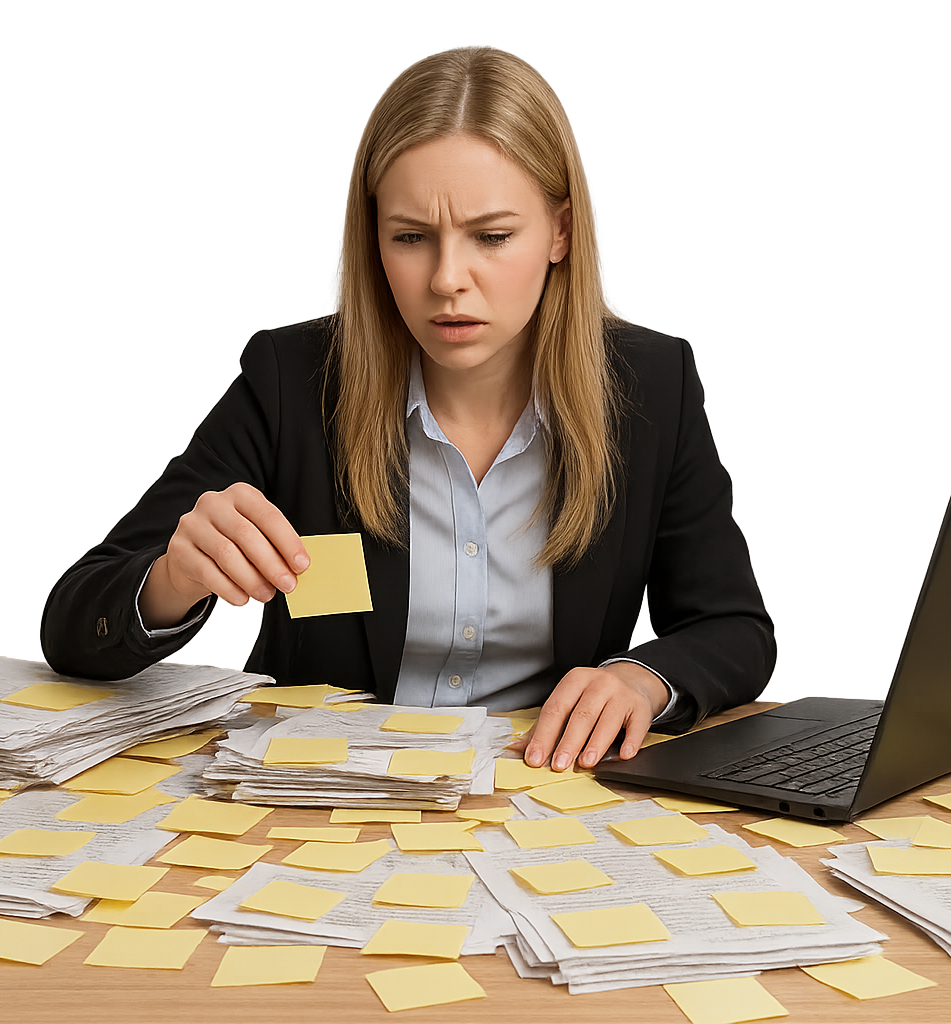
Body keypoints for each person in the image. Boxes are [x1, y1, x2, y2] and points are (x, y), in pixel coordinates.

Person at [41, 47, 775, 773]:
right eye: (411, 238)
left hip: (547, 800)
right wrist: (174, 577)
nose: (448, 280)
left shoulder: (652, 385)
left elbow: (734, 629)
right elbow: (75, 622)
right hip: (323, 808)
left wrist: (641, 681)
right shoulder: (292, 382)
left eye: (491, 237)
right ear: (374, 240)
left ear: (560, 232)